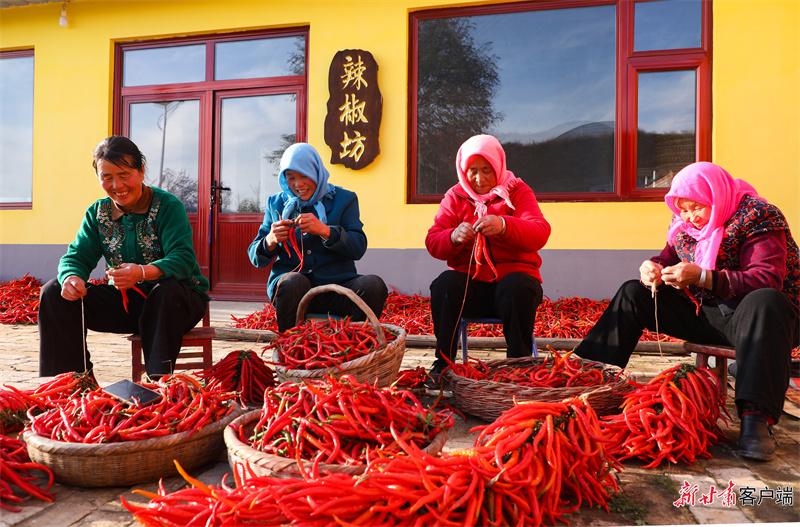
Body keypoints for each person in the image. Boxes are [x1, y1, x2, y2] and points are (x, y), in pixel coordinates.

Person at [575, 161, 799, 461]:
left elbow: (765, 278)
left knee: (767, 299)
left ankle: (756, 419)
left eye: (697, 207)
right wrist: (652, 269)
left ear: (716, 196)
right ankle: (585, 380)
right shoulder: (683, 228)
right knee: (633, 292)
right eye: (682, 209)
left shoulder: (758, 216)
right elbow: (668, 257)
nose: (690, 217)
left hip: (764, 322)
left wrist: (703, 277)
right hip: (709, 314)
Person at [39, 136, 210, 380]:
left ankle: (159, 384)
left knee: (165, 290)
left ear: (141, 171)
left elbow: (182, 259)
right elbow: (76, 256)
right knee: (54, 292)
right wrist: (71, 277)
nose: (117, 185)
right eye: (106, 177)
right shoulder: (98, 213)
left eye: (124, 174)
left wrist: (142, 272)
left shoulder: (167, 206)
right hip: (129, 305)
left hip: (177, 304)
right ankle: (73, 382)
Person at [425, 134, 552, 388]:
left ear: (498, 167)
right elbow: (433, 242)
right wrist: (454, 236)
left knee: (517, 285)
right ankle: (444, 364)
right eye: (472, 170)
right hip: (473, 290)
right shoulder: (455, 196)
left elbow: (539, 232)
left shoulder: (517, 192)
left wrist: (504, 225)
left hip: (514, 292)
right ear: (463, 170)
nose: (479, 179)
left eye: (486, 170)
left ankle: (519, 364)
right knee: (445, 283)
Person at [247, 142, 387, 332]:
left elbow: (358, 247)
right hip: (293, 293)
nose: (298, 184)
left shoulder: (344, 199)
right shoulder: (277, 203)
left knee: (373, 285)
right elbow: (256, 258)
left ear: (317, 172)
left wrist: (325, 231)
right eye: (291, 178)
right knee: (294, 281)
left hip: (339, 289)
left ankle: (356, 346)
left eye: (305, 175)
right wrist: (270, 240)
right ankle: (289, 346)